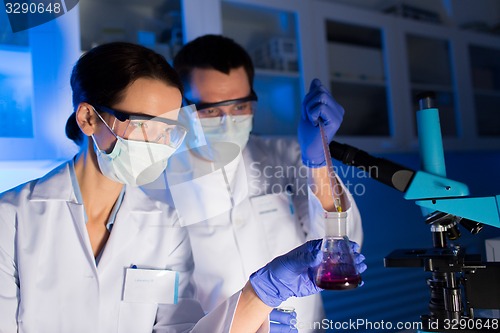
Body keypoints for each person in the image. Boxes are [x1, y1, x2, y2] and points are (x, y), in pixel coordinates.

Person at [0, 42, 365, 333]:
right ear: (88, 118)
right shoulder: (12, 220)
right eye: (146, 124)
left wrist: (262, 296)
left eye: (168, 128)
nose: (160, 144)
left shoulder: (165, 224)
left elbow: (180, 329)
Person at [170, 34, 364, 332]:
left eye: (240, 107)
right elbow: (165, 308)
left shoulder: (283, 156)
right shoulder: (160, 184)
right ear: (182, 107)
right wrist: (245, 318)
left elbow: (339, 243)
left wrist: (319, 162)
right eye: (209, 110)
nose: (228, 121)